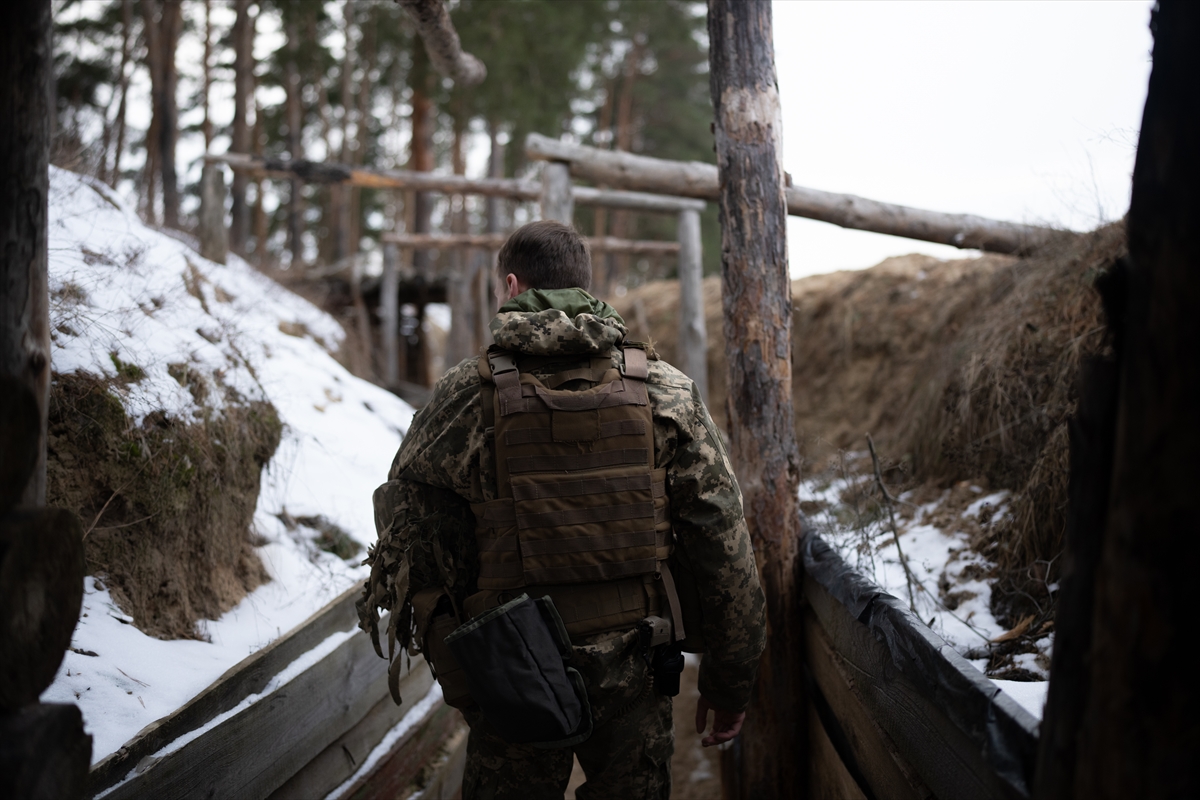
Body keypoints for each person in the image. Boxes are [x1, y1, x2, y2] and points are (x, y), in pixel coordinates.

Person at [358, 220, 765, 800]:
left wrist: (463, 665)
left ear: (511, 285)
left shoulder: (462, 398)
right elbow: (725, 548)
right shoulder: (667, 393)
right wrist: (729, 685)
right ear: (587, 285)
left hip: (512, 665)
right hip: (639, 659)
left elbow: (409, 539)